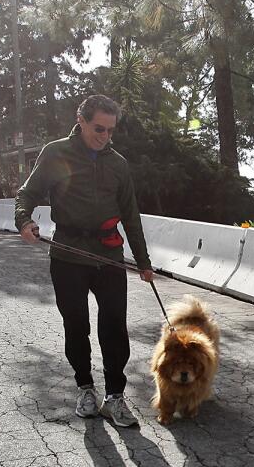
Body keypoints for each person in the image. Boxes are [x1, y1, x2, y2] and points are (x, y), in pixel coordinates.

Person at [15, 94, 154, 427]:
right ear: (81, 120)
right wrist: (24, 221)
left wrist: (144, 262)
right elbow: (27, 193)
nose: (104, 137)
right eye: (98, 129)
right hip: (67, 254)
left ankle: (115, 397)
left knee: (114, 329)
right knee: (76, 326)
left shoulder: (118, 164)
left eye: (110, 131)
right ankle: (85, 389)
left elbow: (131, 216)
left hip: (108, 256)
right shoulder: (55, 153)